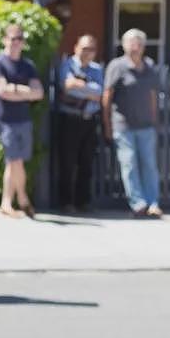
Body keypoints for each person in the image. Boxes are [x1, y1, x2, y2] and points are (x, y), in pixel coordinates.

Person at [103, 29, 162, 218]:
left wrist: (154, 119)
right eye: (131, 43)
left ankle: (153, 203)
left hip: (146, 125)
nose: (135, 47)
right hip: (123, 125)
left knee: (149, 165)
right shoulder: (117, 66)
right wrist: (107, 124)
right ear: (124, 45)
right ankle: (138, 204)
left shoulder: (149, 67)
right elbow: (107, 97)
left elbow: (153, 95)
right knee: (129, 165)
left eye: (139, 43)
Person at [0, 24, 44, 218]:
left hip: (23, 119)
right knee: (15, 160)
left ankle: (12, 200)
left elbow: (39, 93)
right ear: (5, 40)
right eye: (12, 38)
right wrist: (25, 92)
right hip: (4, 119)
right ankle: (18, 200)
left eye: (19, 39)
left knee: (15, 162)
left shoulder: (28, 66)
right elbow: (2, 91)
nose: (16, 42)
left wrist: (15, 90)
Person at [56, 34, 104, 212]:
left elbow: (99, 93)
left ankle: (83, 201)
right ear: (76, 47)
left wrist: (79, 86)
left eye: (92, 49)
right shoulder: (68, 64)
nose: (88, 53)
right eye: (85, 49)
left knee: (87, 162)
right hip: (70, 119)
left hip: (89, 120)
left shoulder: (96, 69)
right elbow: (66, 87)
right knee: (67, 162)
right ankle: (66, 202)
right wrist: (86, 88)